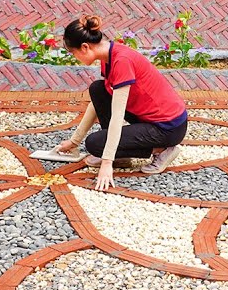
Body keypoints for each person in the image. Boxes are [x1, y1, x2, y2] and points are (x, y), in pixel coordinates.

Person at [54, 15, 188, 190]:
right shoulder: (107, 56)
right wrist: (74, 141)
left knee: (94, 144)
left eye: (73, 53)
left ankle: (162, 150)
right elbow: (101, 100)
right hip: (147, 116)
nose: (74, 57)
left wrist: (107, 162)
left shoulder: (121, 61)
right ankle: (117, 152)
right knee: (98, 88)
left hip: (168, 127)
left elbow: (117, 115)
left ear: (85, 47)